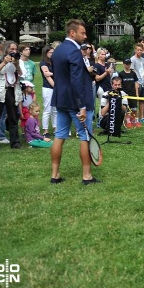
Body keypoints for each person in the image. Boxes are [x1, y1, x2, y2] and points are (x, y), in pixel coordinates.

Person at [50, 19, 98, 185]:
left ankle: (55, 175)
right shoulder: (74, 52)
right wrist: (82, 106)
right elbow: (76, 81)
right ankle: (87, 176)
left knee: (59, 135)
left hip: (60, 99)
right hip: (76, 102)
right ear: (72, 33)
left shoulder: (57, 51)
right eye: (82, 33)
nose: (85, 36)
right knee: (84, 137)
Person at [0, 40, 22, 149]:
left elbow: (22, 74)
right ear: (6, 49)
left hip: (12, 89)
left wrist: (17, 64)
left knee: (13, 117)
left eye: (15, 49)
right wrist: (4, 62)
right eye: (11, 49)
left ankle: (15, 142)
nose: (14, 51)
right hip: (0, 89)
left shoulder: (18, 59)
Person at [39, 46, 57, 137]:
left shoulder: (54, 62)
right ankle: (45, 130)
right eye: (51, 52)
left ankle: (55, 128)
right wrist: (55, 86)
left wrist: (53, 73)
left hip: (55, 87)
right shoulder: (43, 63)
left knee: (55, 109)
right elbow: (47, 76)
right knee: (47, 109)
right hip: (48, 88)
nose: (52, 54)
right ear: (46, 53)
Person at [118, 59, 140, 127]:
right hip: (125, 94)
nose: (128, 65)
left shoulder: (133, 73)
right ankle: (128, 121)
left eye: (129, 64)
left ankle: (135, 120)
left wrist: (137, 94)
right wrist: (122, 93)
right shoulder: (121, 74)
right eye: (127, 64)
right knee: (127, 108)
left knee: (134, 108)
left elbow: (136, 83)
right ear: (123, 64)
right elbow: (120, 84)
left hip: (133, 93)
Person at [130, 43, 144, 123]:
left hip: (143, 82)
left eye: (141, 50)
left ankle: (142, 117)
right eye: (138, 50)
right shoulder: (132, 59)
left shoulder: (143, 59)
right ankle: (135, 118)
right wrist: (136, 81)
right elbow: (133, 71)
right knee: (135, 100)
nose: (139, 51)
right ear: (135, 50)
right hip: (137, 82)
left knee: (142, 100)